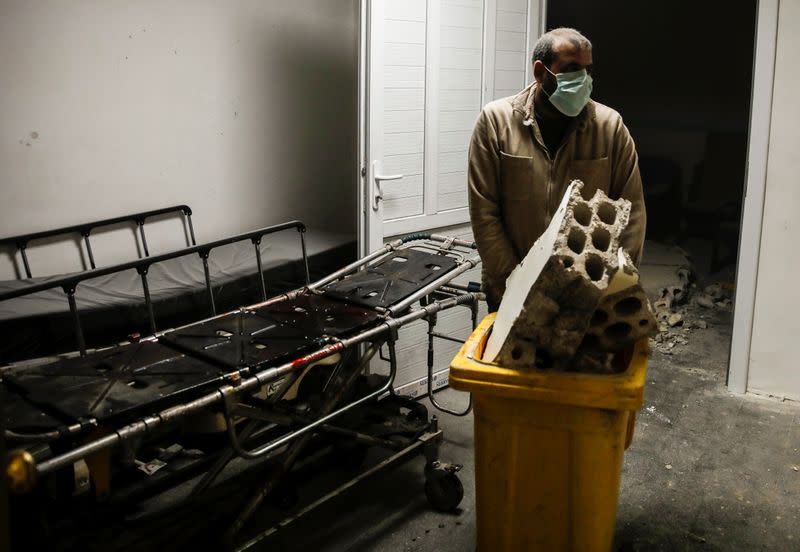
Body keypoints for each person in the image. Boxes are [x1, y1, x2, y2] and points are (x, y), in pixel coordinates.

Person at [468, 27, 646, 311]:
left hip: (585, 298)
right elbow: (485, 212)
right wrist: (516, 286)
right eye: (572, 68)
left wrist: (609, 288)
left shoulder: (609, 128)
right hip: (510, 292)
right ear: (541, 72)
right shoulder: (497, 123)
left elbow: (631, 213)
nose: (584, 79)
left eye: (587, 69)